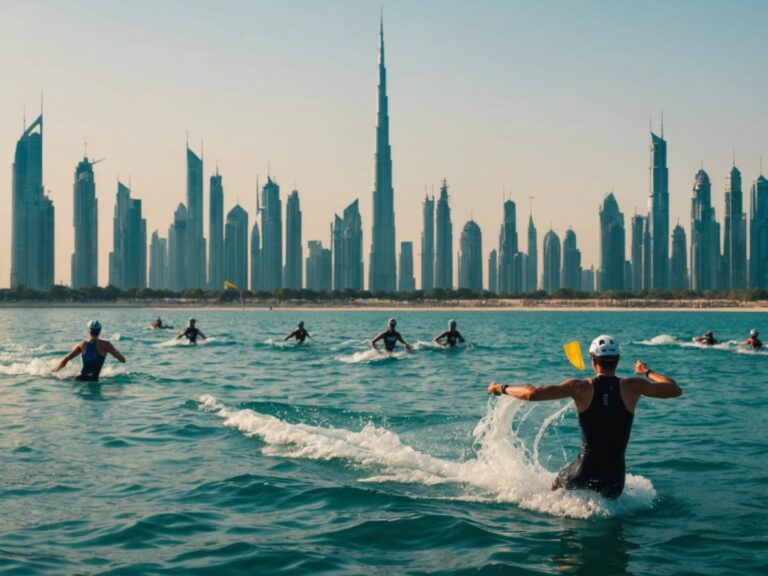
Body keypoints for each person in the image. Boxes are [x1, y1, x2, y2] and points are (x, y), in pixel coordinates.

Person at [487, 334, 681, 499]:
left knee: (554, 492)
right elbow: (674, 389)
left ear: (592, 359)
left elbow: (532, 393)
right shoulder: (633, 386)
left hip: (582, 472)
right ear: (618, 360)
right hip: (615, 481)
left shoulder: (580, 387)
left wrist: (501, 388)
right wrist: (645, 371)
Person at [53, 320, 126, 382]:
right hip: (94, 380)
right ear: (100, 331)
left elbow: (66, 358)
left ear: (89, 331)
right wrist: (116, 352)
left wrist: (54, 371)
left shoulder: (82, 344)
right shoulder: (107, 345)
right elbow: (123, 360)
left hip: (80, 379)